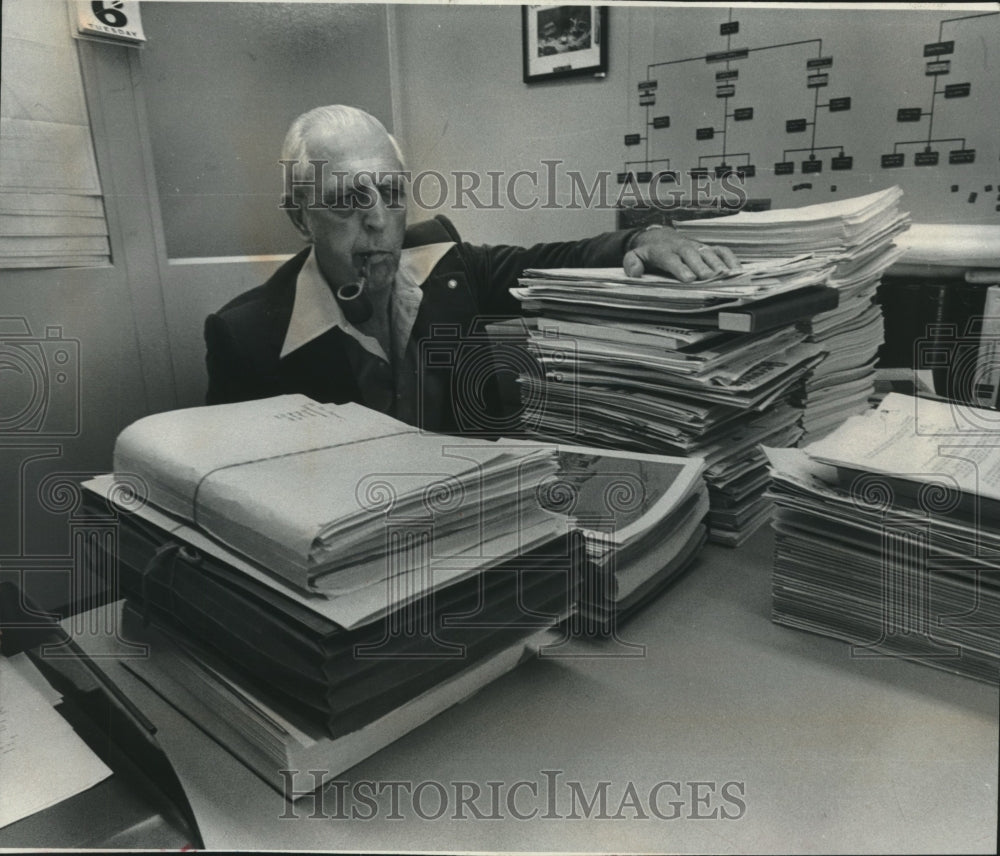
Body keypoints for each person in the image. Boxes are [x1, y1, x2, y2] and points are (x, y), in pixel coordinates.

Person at [204, 105, 739, 435]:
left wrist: (645, 236)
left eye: (391, 194)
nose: (377, 223)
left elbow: (547, 263)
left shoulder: (442, 260)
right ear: (300, 218)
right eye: (346, 200)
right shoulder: (246, 337)